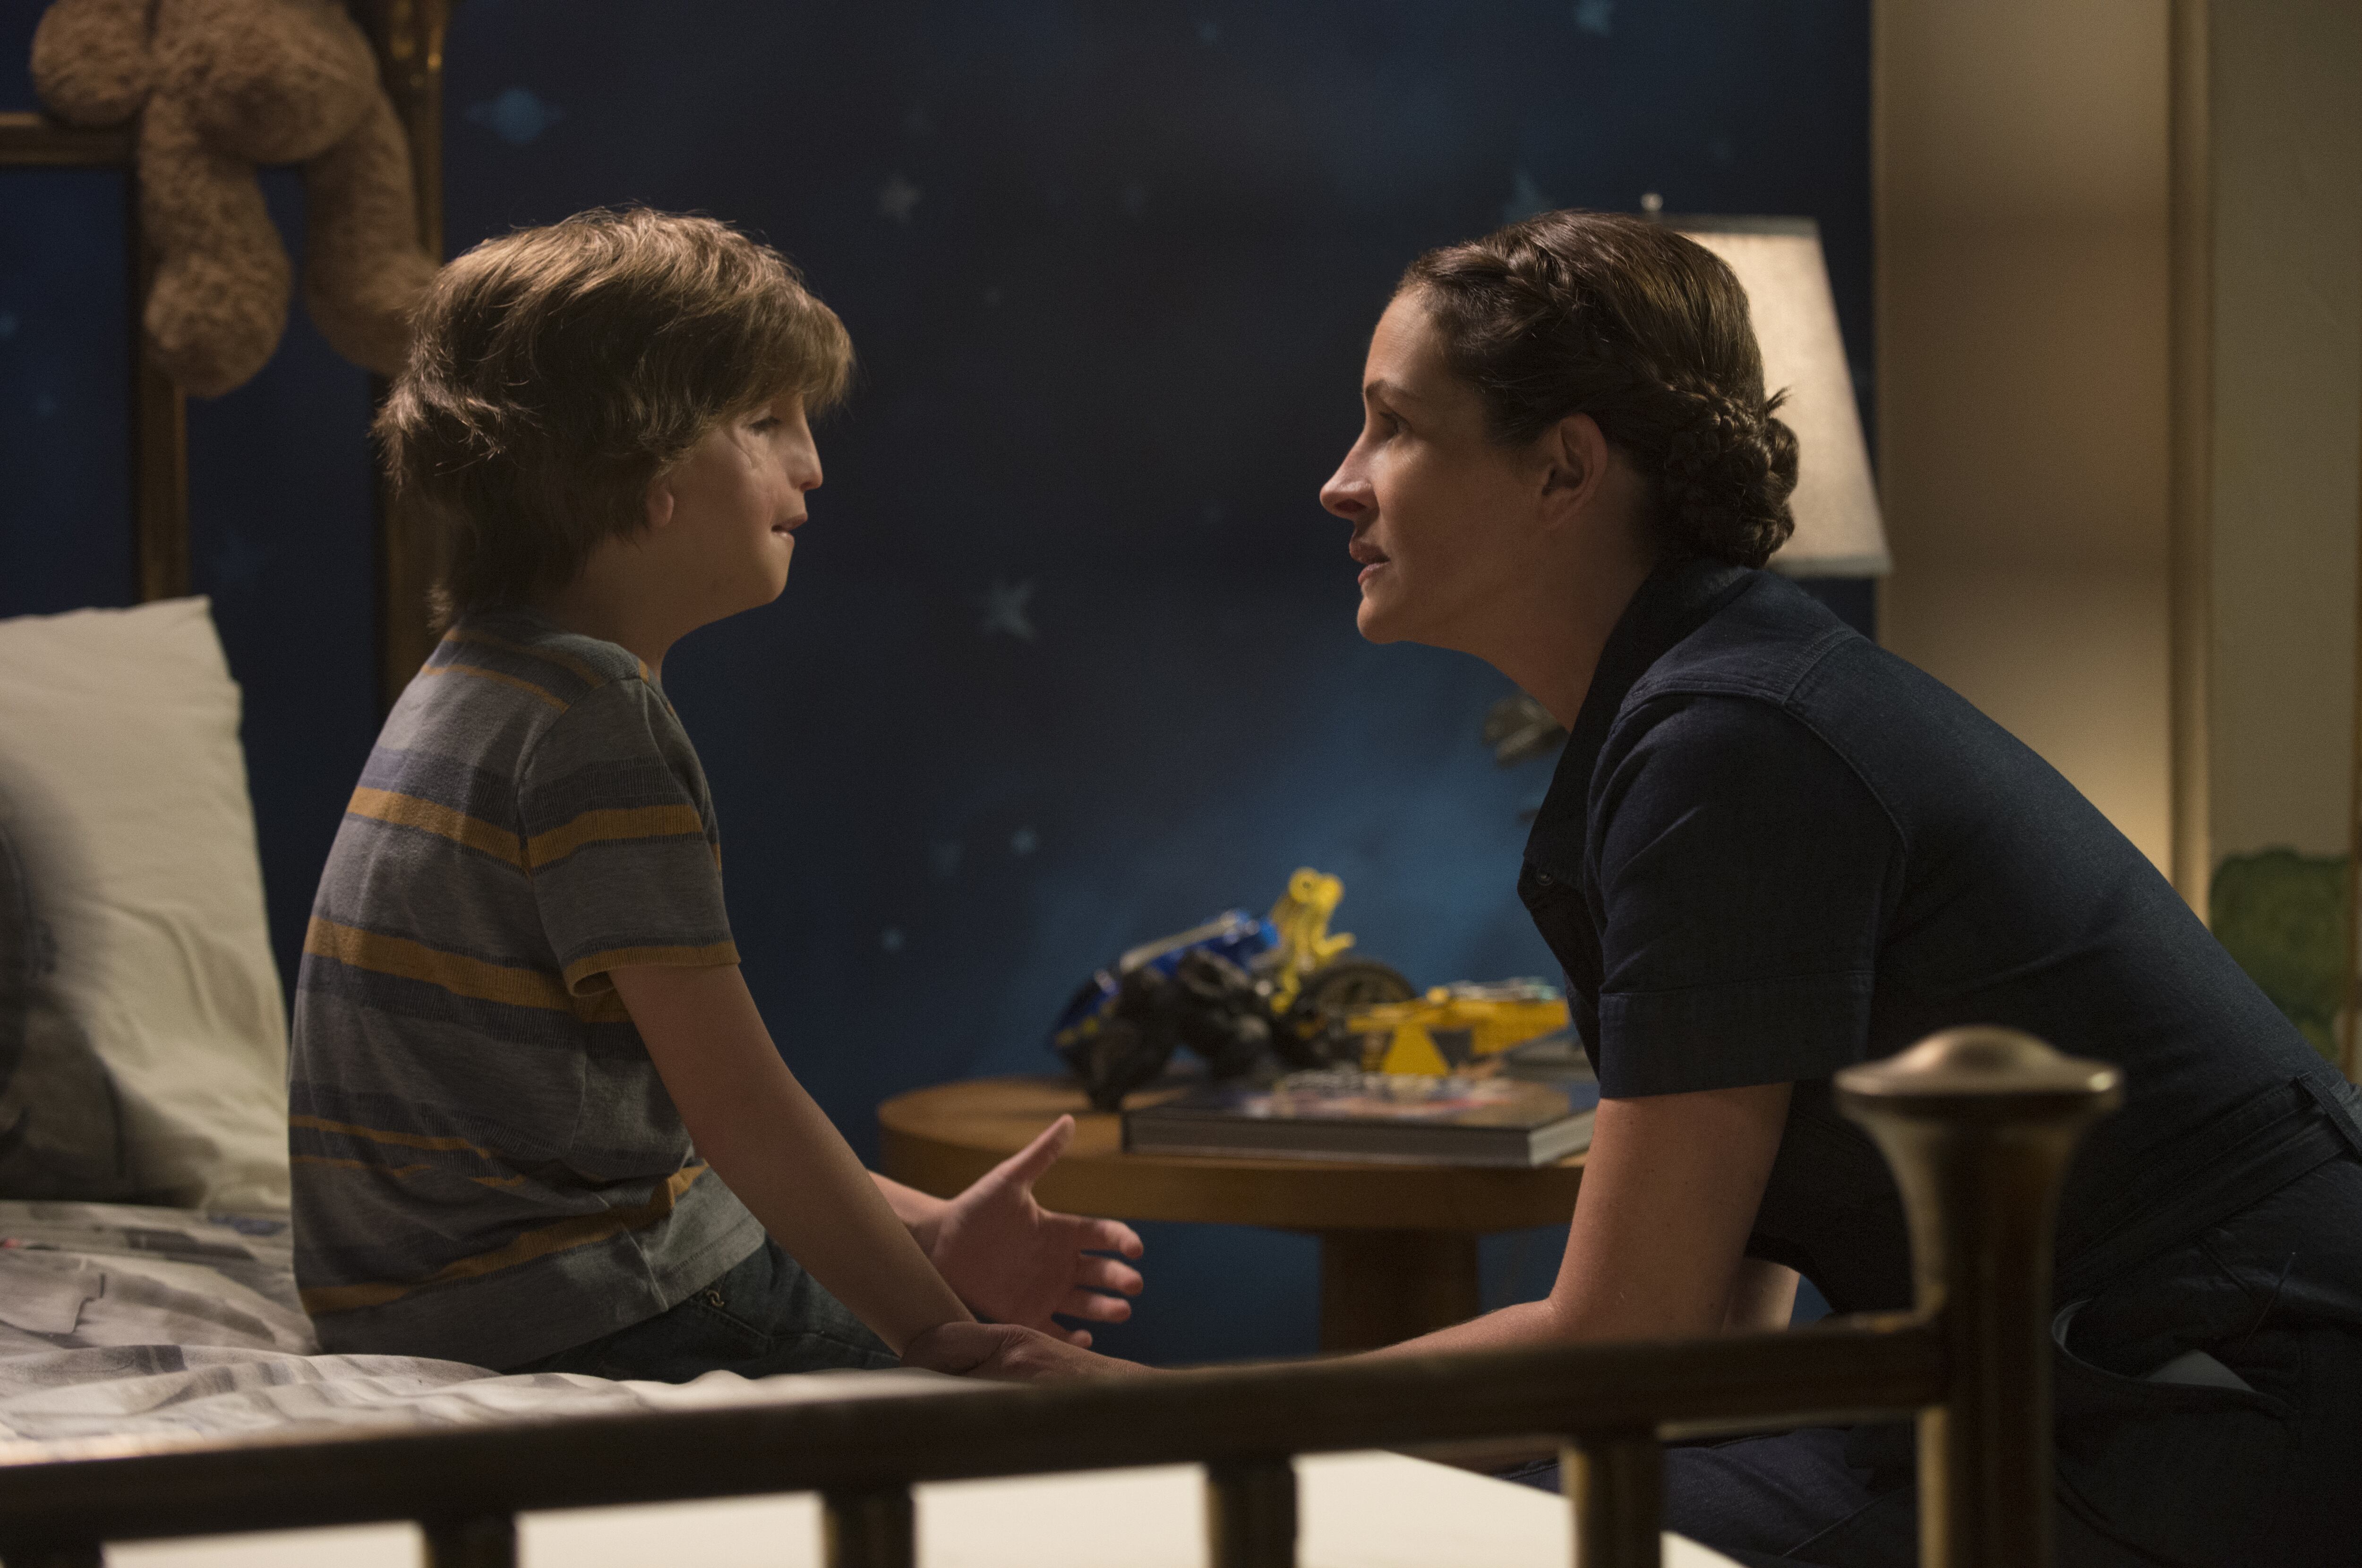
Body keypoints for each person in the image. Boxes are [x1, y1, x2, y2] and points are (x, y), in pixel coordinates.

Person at [904, 211, 2362, 1568]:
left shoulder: (1733, 744)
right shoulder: (1706, 716)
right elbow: (1703, 1337)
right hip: (2075, 1382)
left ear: (1564, 472)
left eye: (1395, 426)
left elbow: (1628, 1339)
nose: (1341, 480)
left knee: (1424, 1534)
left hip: (2207, 1406)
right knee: (1457, 1507)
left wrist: (1157, 1416)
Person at [289, 209, 1143, 1381]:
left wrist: (928, 1230)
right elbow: (737, 1103)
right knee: (1066, 1414)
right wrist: (934, 1332)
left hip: (417, 1302)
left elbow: (657, 1125)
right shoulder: (596, 723)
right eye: (765, 422)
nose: (813, 465)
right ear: (642, 466)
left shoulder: (469, 684)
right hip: (576, 1301)